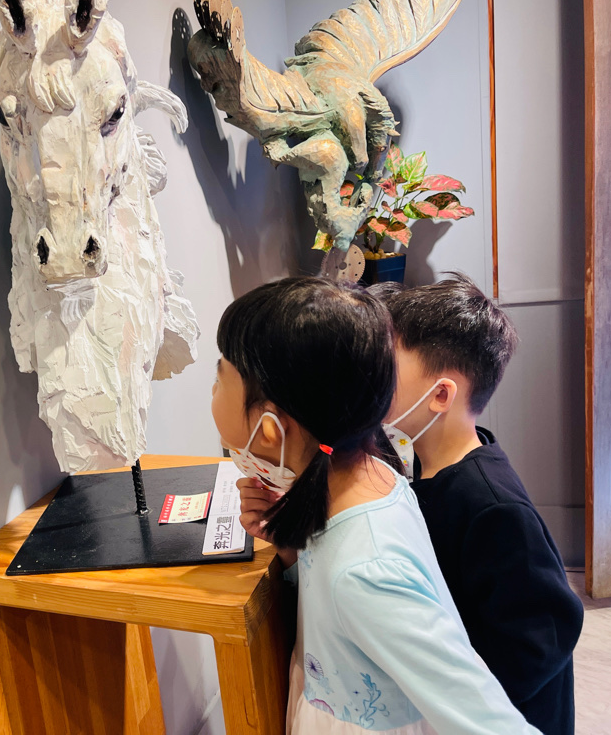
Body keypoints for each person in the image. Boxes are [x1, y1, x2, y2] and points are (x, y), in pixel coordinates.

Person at [214, 276, 538, 734]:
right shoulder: (371, 474)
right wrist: (289, 548)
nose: (213, 389)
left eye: (219, 377)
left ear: (270, 428)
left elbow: (489, 722)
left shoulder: (367, 571)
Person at [367, 274, 584, 734]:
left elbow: (543, 636)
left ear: (441, 395)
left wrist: (458, 695)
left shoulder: (493, 506)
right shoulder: (423, 461)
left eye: (388, 367)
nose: (374, 377)